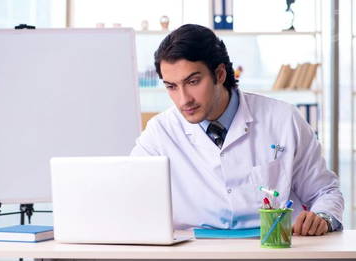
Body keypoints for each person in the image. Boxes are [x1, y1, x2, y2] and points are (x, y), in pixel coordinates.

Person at [130, 24, 344, 236]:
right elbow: (128, 193)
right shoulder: (160, 132)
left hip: (275, 256)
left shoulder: (284, 119)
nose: (184, 99)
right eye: (171, 86)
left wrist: (323, 217)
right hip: (195, 259)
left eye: (193, 81)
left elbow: (325, 192)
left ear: (220, 74)